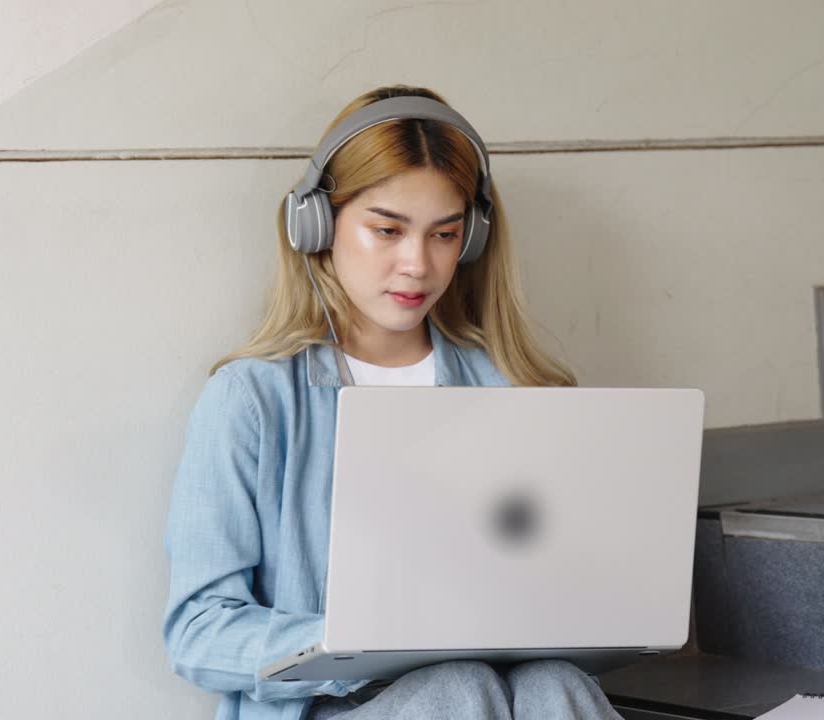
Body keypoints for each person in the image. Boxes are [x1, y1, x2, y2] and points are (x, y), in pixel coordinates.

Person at [161, 85, 626, 720]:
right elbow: (198, 631)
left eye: (444, 234)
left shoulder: (512, 389)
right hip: (339, 705)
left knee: (555, 684)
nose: (417, 264)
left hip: (489, 696)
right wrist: (353, 642)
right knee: (454, 688)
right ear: (316, 225)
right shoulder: (251, 400)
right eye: (387, 229)